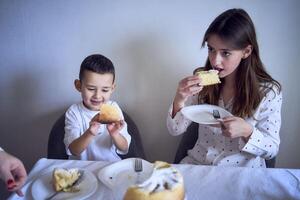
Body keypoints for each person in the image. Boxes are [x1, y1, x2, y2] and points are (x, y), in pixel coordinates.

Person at [167, 8, 282, 168]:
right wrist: (179, 99)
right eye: (211, 49)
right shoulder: (202, 82)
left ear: (246, 51)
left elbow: (272, 149)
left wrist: (247, 132)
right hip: (198, 165)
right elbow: (175, 130)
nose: (215, 61)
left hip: (242, 173)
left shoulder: (268, 92)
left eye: (225, 53)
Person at [64, 54, 131, 161]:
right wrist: (90, 133)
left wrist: (115, 134)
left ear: (112, 88)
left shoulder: (113, 108)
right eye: (91, 88)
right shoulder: (74, 112)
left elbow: (124, 147)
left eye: (105, 90)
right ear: (78, 85)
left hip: (110, 166)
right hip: (82, 168)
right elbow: (74, 151)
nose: (97, 96)